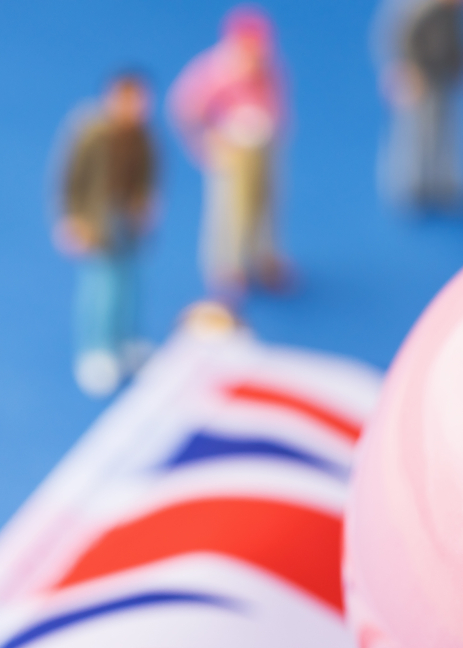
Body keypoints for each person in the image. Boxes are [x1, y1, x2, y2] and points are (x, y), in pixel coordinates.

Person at [169, 6, 291, 301]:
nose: (256, 55)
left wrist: (277, 133)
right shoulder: (215, 72)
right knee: (229, 209)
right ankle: (227, 267)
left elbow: (279, 100)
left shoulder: (268, 68)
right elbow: (185, 109)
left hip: (264, 146)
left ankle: (263, 257)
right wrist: (203, 145)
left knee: (266, 202)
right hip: (232, 150)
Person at [53, 71, 158, 397]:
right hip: (97, 221)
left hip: (126, 221)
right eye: (127, 98)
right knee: (101, 286)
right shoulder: (89, 133)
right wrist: (71, 219)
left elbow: (148, 174)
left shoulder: (142, 135)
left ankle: (124, 342)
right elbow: (69, 179)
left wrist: (145, 206)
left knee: (128, 285)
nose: (134, 107)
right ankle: (94, 350)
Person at [373, 0, 463, 210]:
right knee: (418, 132)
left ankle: (443, 182)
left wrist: (461, 64)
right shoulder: (421, 11)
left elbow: (458, 40)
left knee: (445, 130)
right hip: (421, 80)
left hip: (443, 78)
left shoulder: (456, 13)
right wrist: (411, 70)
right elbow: (403, 40)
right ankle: (412, 185)